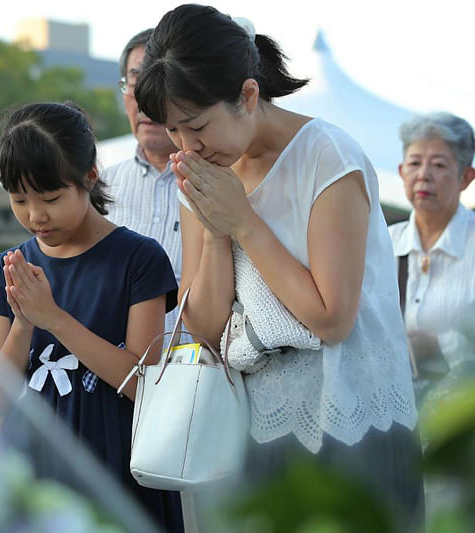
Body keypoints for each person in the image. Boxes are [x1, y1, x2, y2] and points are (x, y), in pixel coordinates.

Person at [134, 4, 423, 527]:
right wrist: (217, 224)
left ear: (247, 95)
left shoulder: (327, 155)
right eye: (174, 131)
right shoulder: (202, 172)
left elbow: (333, 318)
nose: (186, 146)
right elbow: (204, 325)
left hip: (350, 422)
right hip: (250, 432)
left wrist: (242, 220)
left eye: (196, 125)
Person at [0, 102, 183, 532]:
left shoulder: (138, 259)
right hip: (31, 472)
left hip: (115, 471)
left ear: (89, 177)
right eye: (19, 200)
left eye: (50, 198)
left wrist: (53, 318)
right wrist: (24, 322)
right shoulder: (9, 267)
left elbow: (142, 383)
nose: (36, 215)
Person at [389, 112, 475, 400]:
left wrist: (438, 349)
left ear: (466, 177)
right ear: (402, 172)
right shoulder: (384, 242)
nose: (423, 174)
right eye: (414, 163)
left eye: (438, 164)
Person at [102, 29, 181, 333]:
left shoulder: (220, 186)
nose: (146, 100)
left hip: (200, 373)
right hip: (112, 374)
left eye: (158, 84)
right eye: (135, 83)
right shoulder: (100, 189)